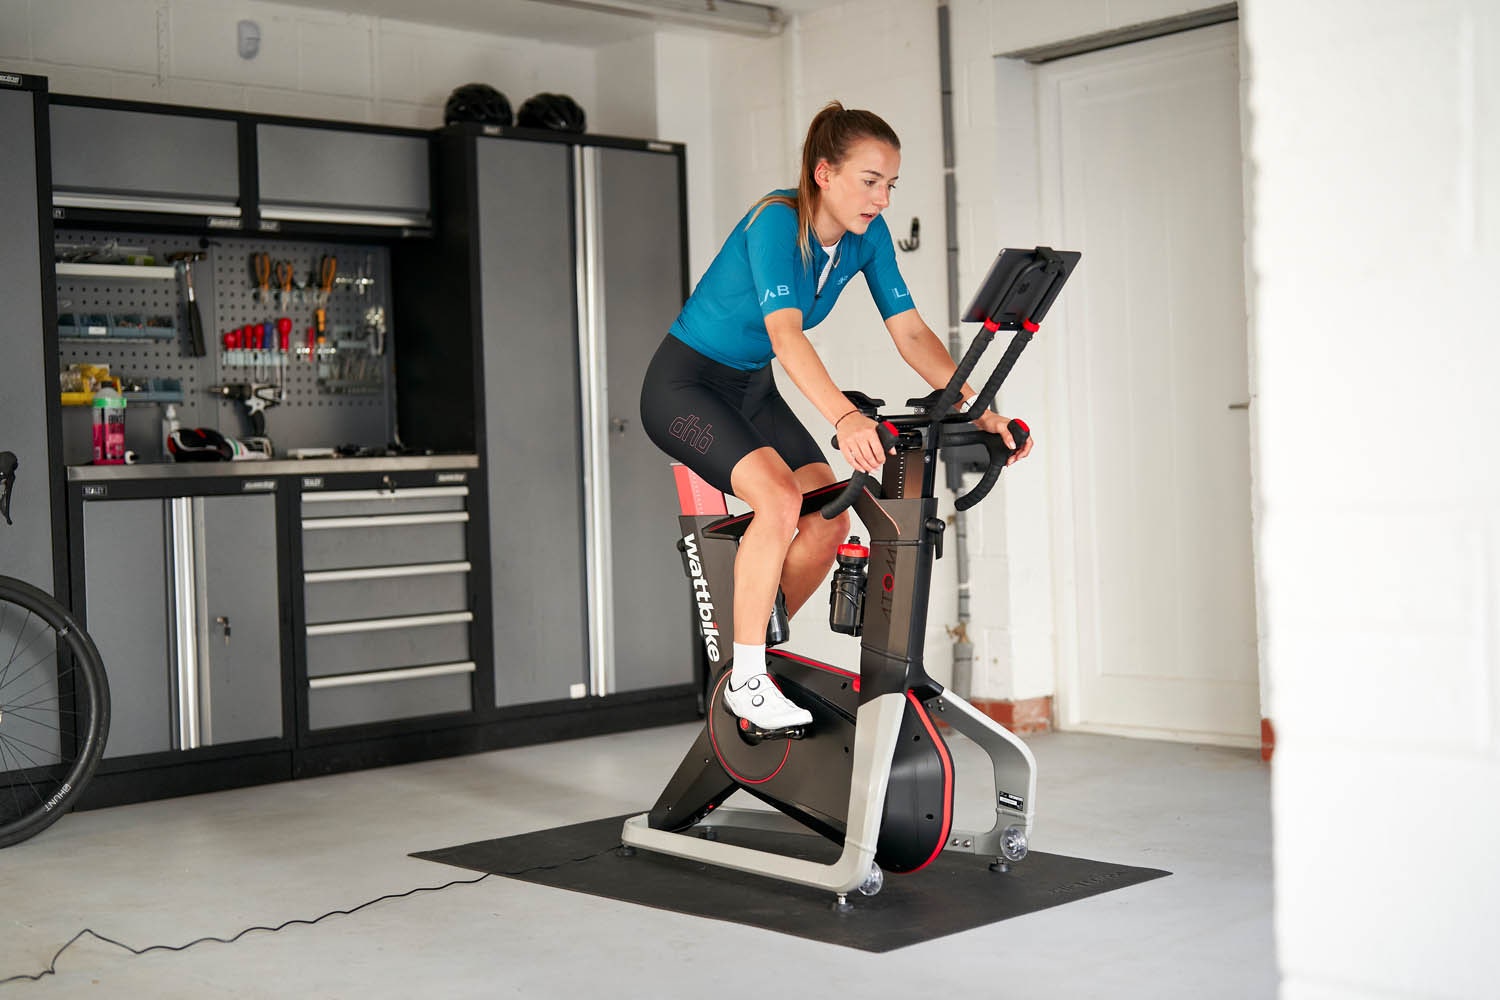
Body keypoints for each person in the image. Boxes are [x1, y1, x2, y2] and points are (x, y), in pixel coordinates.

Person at [640, 100, 1032, 732]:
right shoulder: (776, 222)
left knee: (825, 517)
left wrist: (981, 409)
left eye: (891, 185)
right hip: (683, 386)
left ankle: (749, 658)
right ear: (824, 173)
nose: (881, 199)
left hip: (751, 388)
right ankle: (745, 678)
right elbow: (788, 336)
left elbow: (909, 333)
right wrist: (846, 418)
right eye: (870, 181)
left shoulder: (866, 238)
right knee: (775, 500)